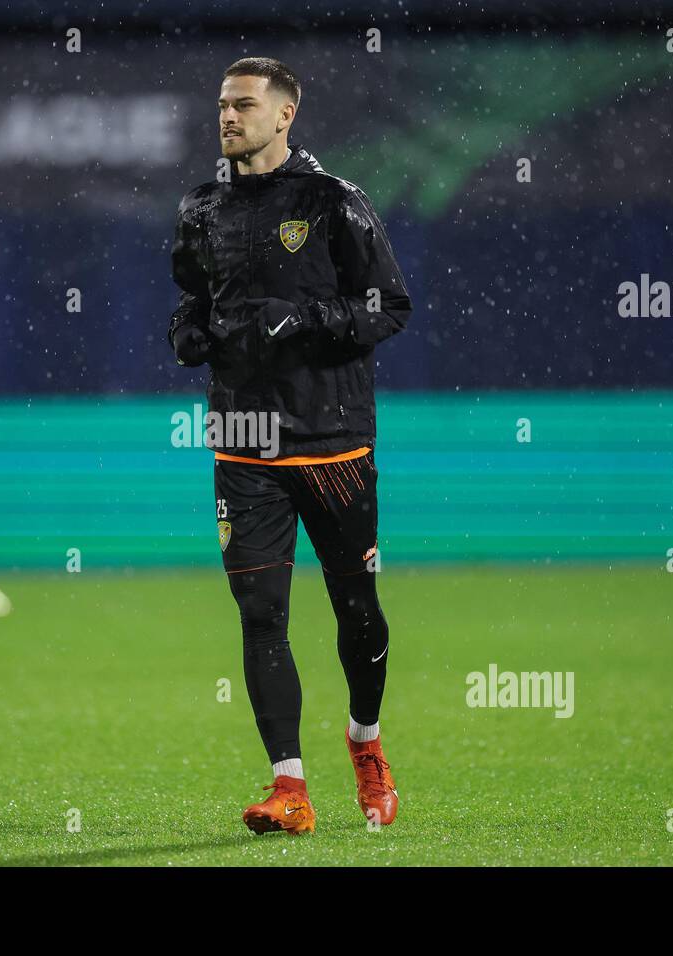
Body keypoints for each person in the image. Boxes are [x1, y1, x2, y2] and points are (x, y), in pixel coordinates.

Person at [168, 57, 412, 834]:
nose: (228, 117)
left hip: (332, 441)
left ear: (285, 116)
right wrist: (188, 330)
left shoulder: (334, 201)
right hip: (242, 442)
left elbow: (389, 305)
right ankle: (289, 788)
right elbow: (193, 296)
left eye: (243, 105)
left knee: (357, 610)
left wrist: (306, 320)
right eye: (222, 105)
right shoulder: (202, 208)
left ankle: (366, 744)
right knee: (261, 615)